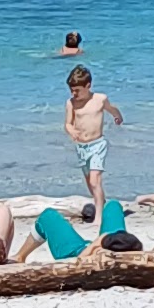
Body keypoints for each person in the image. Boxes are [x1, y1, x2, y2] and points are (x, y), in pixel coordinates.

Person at [64, 62, 123, 213]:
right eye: (72, 90)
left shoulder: (100, 99)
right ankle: (101, 203)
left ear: (88, 86)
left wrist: (117, 116)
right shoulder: (71, 103)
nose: (74, 94)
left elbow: (111, 109)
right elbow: (68, 123)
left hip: (97, 144)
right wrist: (71, 131)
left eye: (77, 90)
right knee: (90, 183)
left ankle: (99, 216)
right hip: (82, 148)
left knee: (95, 180)